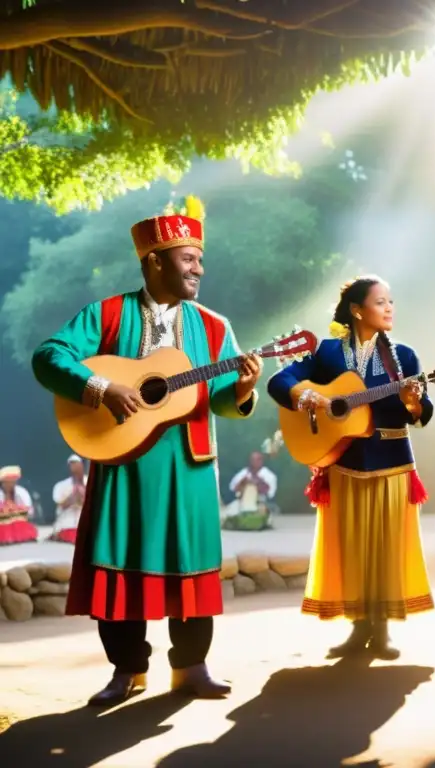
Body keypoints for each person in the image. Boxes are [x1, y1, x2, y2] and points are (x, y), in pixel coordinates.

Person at [31, 195, 263, 706]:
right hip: (122, 463)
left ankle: (192, 667)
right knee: (120, 564)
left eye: (200, 259)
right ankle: (127, 671)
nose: (199, 268)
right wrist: (100, 387)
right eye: (188, 258)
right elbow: (49, 357)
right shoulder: (107, 313)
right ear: (154, 260)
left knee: (192, 563)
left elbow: (221, 400)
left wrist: (243, 389)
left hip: (189, 464)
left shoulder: (215, 326)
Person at [267, 275, 434, 660]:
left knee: (386, 550)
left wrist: (412, 402)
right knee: (353, 549)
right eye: (381, 301)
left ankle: (383, 630)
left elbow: (423, 415)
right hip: (343, 464)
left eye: (391, 301)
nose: (390, 307)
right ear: (357, 310)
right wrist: (305, 395)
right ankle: (359, 629)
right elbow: (280, 379)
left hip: (393, 465)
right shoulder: (327, 354)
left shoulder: (404, 358)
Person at [223, 450, 279, 531]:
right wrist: (243, 482)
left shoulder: (269, 475)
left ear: (261, 461)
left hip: (260, 502)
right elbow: (233, 488)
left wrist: (258, 483)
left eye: (257, 460)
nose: (255, 462)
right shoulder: (243, 473)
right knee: (226, 515)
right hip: (242, 502)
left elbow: (270, 494)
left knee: (263, 518)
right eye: (252, 460)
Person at [51, 454, 88, 544]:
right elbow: (60, 504)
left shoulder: (92, 482)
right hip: (66, 524)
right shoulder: (61, 486)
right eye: (72, 465)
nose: (75, 468)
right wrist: (73, 497)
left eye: (77, 464)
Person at [0, 465, 38, 546]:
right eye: (7, 482)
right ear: (2, 482)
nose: (10, 484)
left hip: (19, 522)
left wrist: (14, 510)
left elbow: (29, 511)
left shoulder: (22, 492)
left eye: (12, 481)